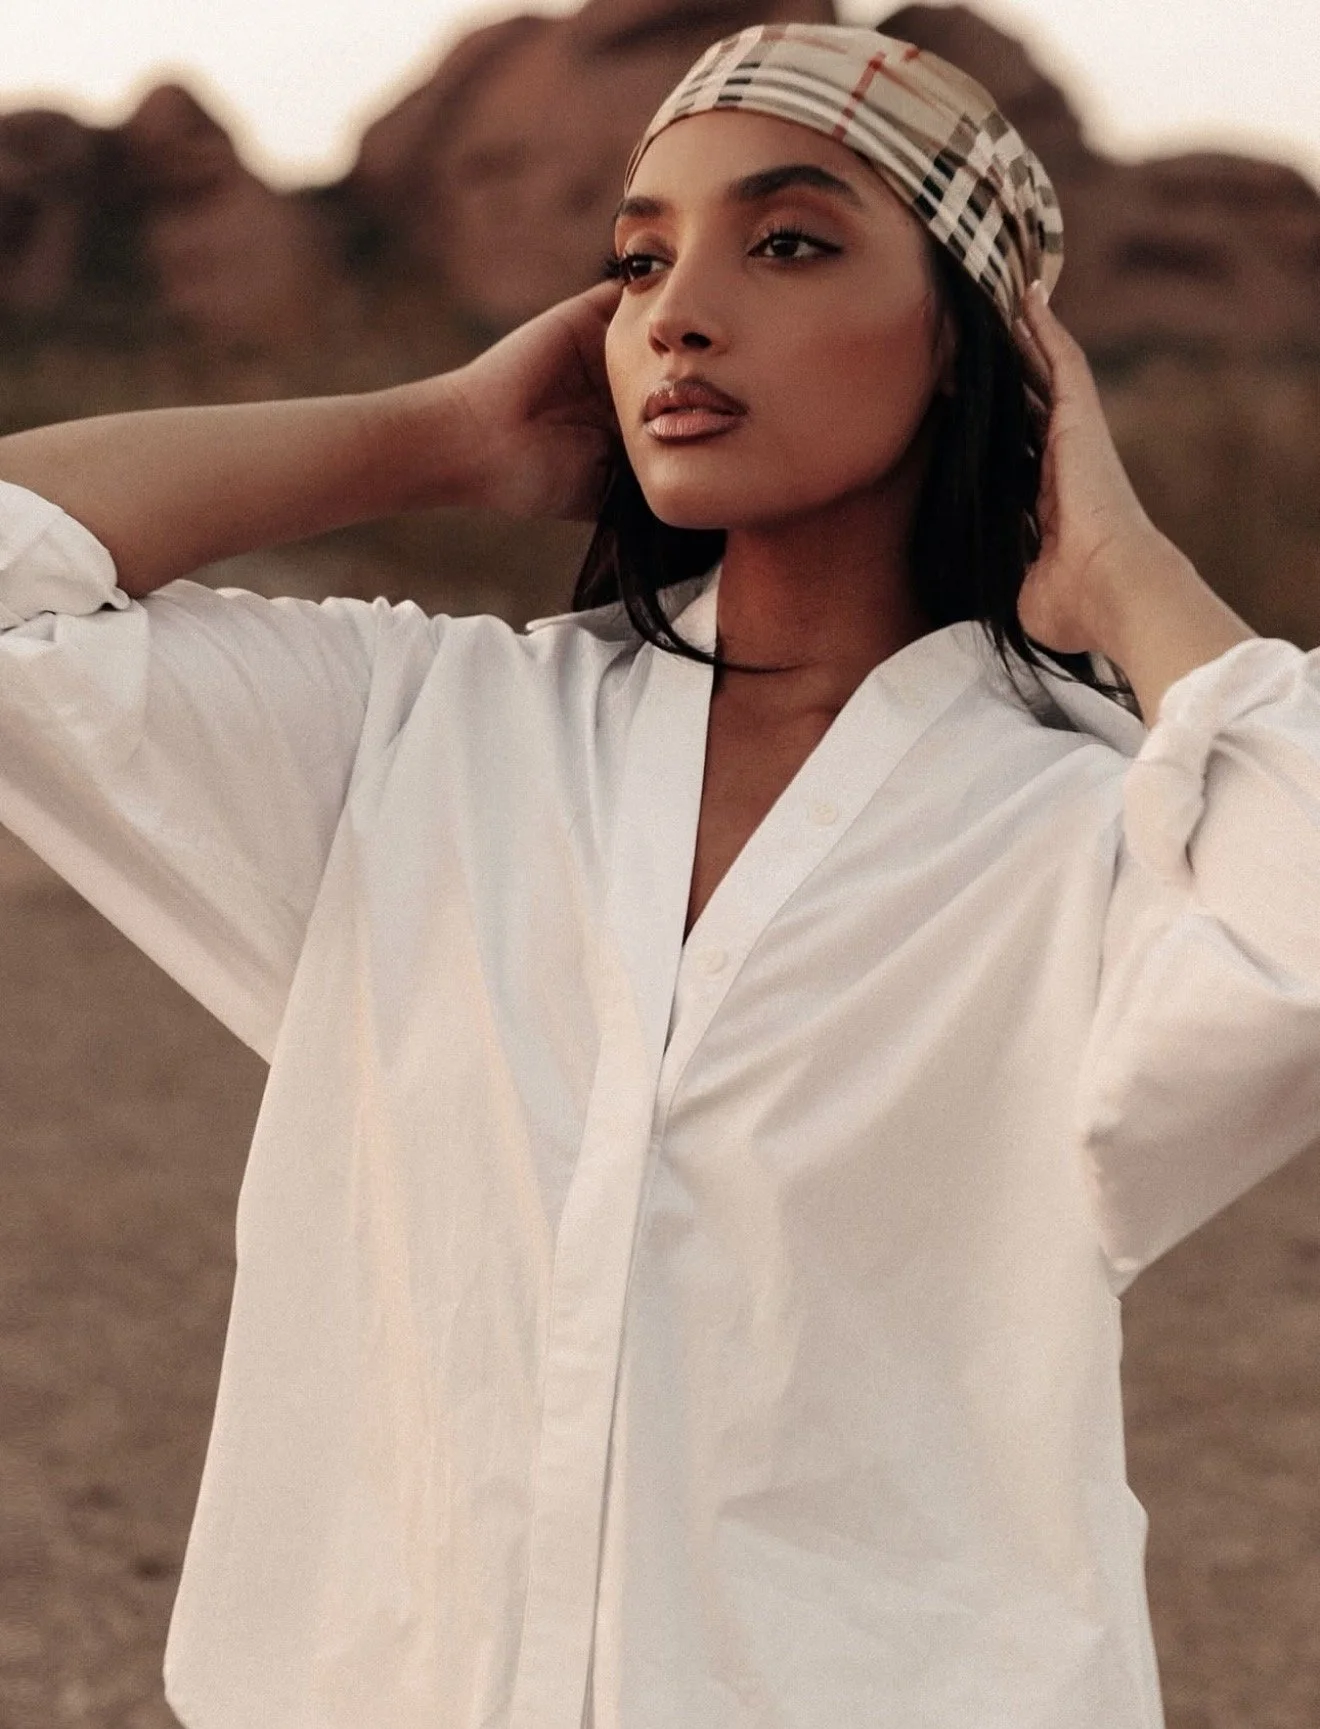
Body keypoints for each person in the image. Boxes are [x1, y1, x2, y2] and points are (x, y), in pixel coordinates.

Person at [1, 20, 1317, 1729]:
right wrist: (439, 435)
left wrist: (1132, 579)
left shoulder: (1083, 821)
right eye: (636, 261)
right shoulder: (430, 731)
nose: (679, 310)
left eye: (788, 241)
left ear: (983, 340)